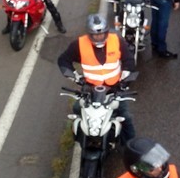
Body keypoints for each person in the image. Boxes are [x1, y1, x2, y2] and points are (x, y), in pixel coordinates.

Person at [57, 13, 137, 143]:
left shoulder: (116, 40)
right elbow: (63, 60)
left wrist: (125, 77)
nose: (99, 37)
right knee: (77, 110)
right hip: (90, 90)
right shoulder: (79, 44)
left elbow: (128, 60)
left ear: (106, 32)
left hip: (115, 88)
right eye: (95, 35)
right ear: (89, 34)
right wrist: (75, 76)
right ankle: (79, 139)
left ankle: (131, 146)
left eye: (102, 34)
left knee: (126, 117)